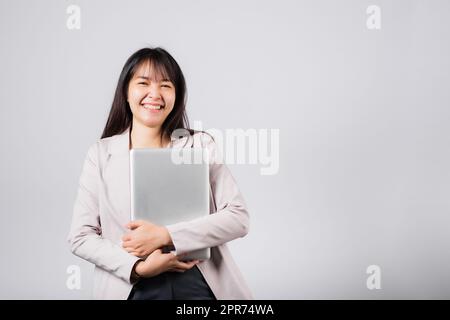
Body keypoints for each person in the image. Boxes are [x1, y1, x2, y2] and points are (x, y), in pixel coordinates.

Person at [67, 47, 253, 300]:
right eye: (143, 83)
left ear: (177, 94)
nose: (154, 94)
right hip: (131, 286)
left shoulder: (199, 145)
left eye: (166, 85)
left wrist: (166, 235)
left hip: (199, 281)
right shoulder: (100, 154)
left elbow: (238, 218)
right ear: (126, 91)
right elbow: (81, 236)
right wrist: (139, 268)